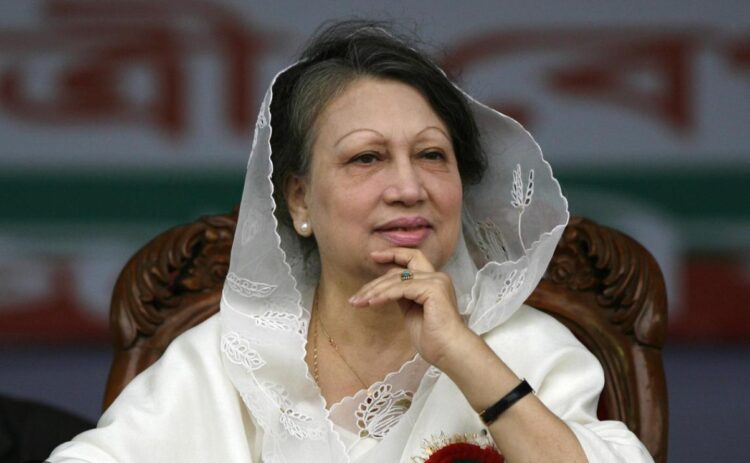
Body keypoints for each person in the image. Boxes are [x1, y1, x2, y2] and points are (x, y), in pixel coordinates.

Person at [48, 21, 654, 462]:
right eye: (367, 158)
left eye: (432, 156)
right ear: (300, 200)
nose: (409, 188)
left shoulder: (526, 347)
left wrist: (464, 356)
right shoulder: (228, 355)